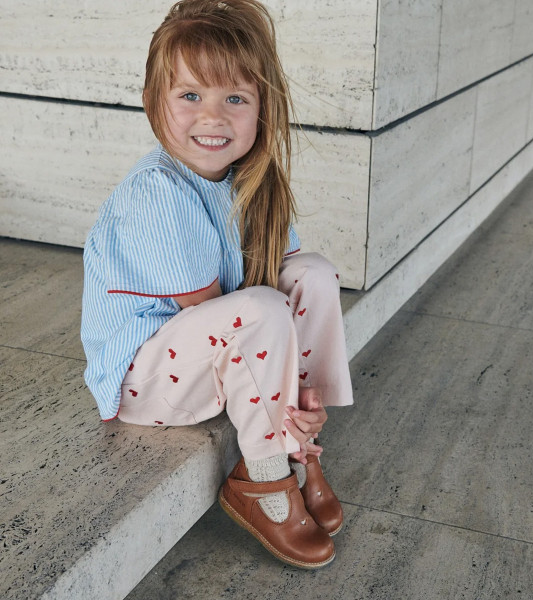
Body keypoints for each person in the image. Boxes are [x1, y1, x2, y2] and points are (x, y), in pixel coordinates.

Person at [81, 0, 353, 569]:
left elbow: (280, 290)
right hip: (146, 377)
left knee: (312, 273)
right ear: (154, 102)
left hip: (217, 344)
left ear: (262, 109)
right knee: (261, 308)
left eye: (235, 98)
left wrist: (299, 398)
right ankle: (266, 477)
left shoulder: (251, 181)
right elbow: (226, 312)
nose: (213, 117)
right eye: (190, 95)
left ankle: (304, 429)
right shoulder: (156, 192)